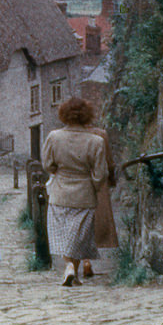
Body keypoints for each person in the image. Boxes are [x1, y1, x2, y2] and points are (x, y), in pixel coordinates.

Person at [43, 97, 107, 286]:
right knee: (78, 236)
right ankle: (74, 271)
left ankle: (69, 267)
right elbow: (100, 173)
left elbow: (47, 164)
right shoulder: (96, 141)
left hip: (60, 192)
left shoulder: (54, 137)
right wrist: (93, 187)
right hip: (84, 194)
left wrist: (58, 171)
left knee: (64, 234)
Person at [81, 123, 118, 278]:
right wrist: (111, 180)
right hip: (99, 181)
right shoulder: (101, 134)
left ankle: (85, 260)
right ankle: (89, 259)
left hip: (80, 182)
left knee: (81, 220)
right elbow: (109, 162)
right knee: (97, 220)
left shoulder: (72, 135)